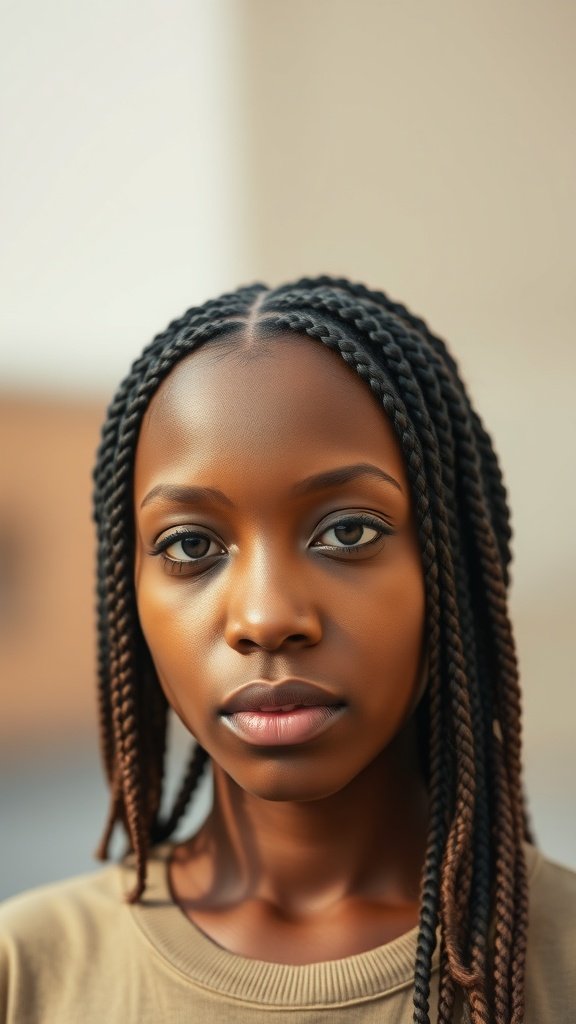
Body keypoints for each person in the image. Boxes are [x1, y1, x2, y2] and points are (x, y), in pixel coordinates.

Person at [1, 276, 574, 1024]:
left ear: (457, 565)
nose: (268, 618)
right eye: (191, 544)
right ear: (127, 590)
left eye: (347, 532)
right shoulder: (27, 973)